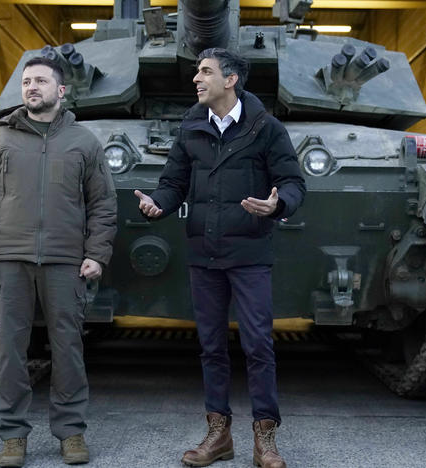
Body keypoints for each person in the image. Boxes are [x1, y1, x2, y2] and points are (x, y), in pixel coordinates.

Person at [135, 48, 306, 468]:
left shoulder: (266, 128)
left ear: (230, 80)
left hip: (249, 255)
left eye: (206, 72)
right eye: (197, 71)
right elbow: (173, 181)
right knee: (211, 347)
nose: (197, 78)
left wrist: (278, 203)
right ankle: (219, 435)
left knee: (258, 346)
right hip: (204, 256)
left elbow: (293, 182)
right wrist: (158, 202)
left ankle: (265, 438)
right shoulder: (192, 127)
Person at [0, 56, 117, 467]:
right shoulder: (1, 140)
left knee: (68, 349)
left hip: (66, 261)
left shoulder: (83, 141)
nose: (32, 87)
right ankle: (12, 435)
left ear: (60, 90)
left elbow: (103, 204)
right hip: (8, 259)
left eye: (41, 81)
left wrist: (96, 254)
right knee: (11, 351)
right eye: (27, 81)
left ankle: (71, 433)